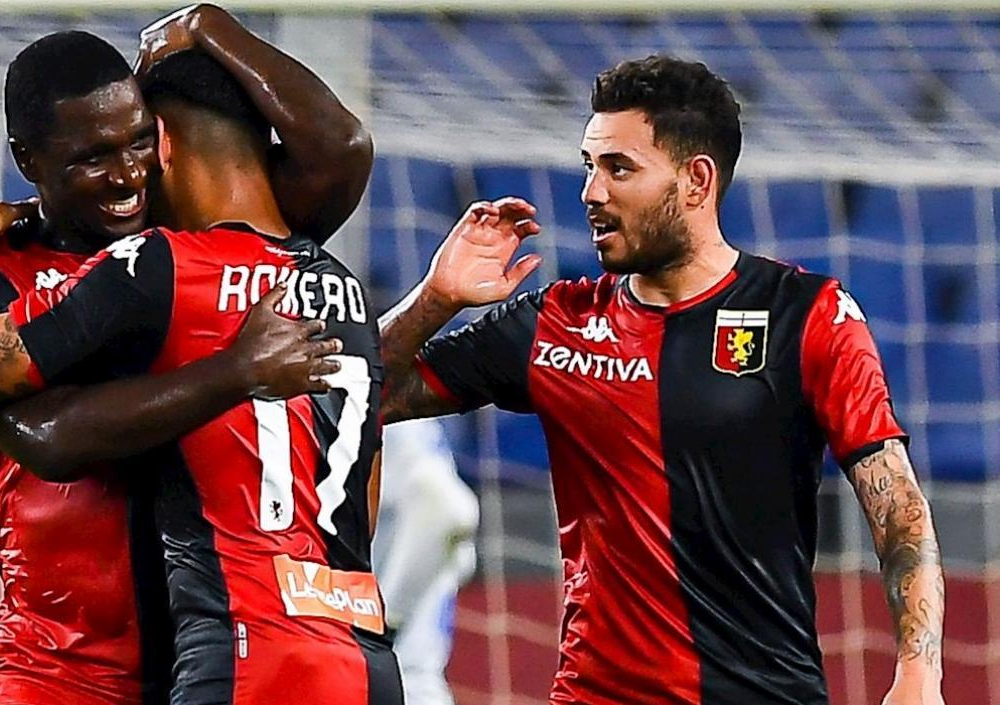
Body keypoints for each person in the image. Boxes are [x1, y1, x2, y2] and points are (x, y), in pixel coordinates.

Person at [377, 56, 945, 705]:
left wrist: (919, 673)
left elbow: (898, 507)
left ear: (696, 180)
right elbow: (364, 396)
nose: (592, 191)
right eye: (589, 165)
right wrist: (435, 300)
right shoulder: (556, 321)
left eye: (619, 168)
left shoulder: (806, 314)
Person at [0, 47, 436, 705]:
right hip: (60, 669)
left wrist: (206, 23)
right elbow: (26, 429)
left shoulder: (182, 253)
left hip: (207, 654)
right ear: (28, 160)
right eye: (94, 156)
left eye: (138, 143)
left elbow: (342, 157)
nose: (128, 174)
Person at [372, 419, 478, 705]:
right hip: (410, 681)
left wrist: (384, 627)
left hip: (392, 683)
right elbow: (462, 561)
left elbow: (448, 509)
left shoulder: (393, 421)